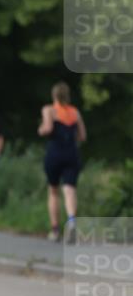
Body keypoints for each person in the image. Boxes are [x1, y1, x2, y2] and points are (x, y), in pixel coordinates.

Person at [39, 82, 86, 244]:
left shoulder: (49, 110)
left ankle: (55, 230)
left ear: (54, 96)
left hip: (55, 154)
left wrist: (40, 130)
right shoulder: (75, 112)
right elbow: (82, 136)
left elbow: (47, 129)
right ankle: (71, 221)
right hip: (72, 154)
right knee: (70, 190)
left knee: (53, 191)